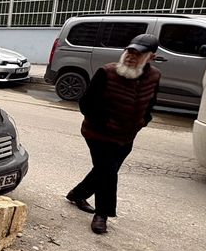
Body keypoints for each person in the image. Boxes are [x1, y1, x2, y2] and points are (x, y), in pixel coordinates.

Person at [66, 33, 162, 234]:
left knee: (103, 170)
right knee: (108, 173)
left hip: (127, 136)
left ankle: (77, 194)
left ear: (151, 57)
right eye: (129, 51)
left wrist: (144, 121)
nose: (130, 57)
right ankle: (102, 214)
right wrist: (104, 123)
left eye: (138, 54)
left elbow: (150, 103)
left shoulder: (154, 76)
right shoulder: (107, 72)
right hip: (98, 134)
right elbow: (86, 104)